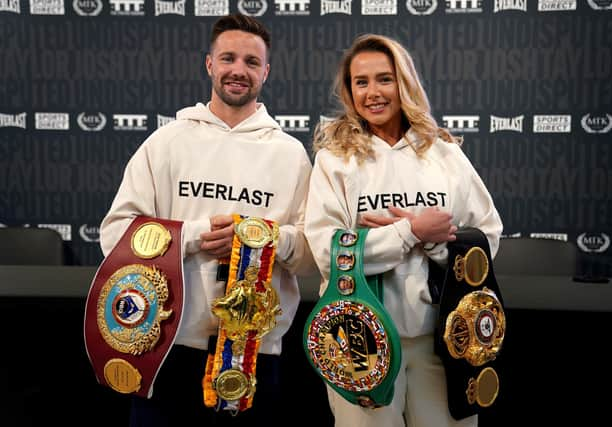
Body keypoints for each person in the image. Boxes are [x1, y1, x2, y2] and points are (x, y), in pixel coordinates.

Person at [99, 13, 315, 427]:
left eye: (252, 62)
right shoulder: (166, 143)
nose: (239, 70)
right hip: (164, 346)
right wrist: (197, 235)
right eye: (228, 58)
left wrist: (261, 239)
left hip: (255, 355)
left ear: (266, 72)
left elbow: (309, 256)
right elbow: (114, 236)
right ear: (209, 65)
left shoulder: (290, 155)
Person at [304, 34, 503, 427]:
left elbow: (487, 237)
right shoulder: (334, 160)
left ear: (405, 84)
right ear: (349, 91)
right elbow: (328, 251)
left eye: (385, 79)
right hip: (359, 343)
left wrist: (432, 238)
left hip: (442, 342)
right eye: (361, 82)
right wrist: (409, 232)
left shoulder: (444, 154)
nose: (373, 93)